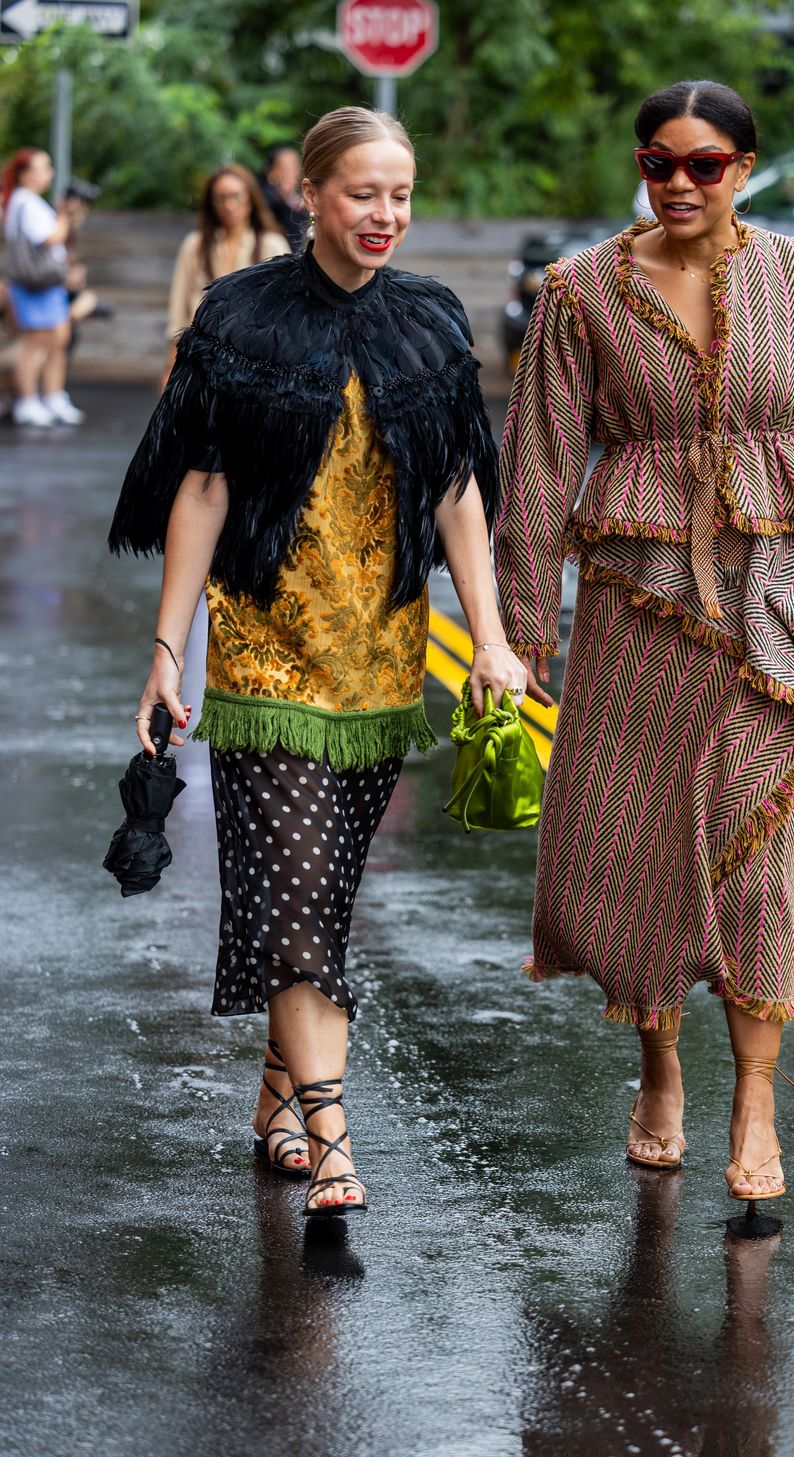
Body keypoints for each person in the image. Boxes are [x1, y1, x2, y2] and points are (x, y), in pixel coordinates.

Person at [109, 106, 524, 1218]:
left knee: (320, 899)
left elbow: (455, 492)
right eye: (361, 194)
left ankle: (276, 1092)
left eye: (400, 194)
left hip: (379, 665)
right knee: (294, 895)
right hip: (262, 654)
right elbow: (200, 487)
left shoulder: (431, 323)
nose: (383, 214)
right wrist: (167, 653)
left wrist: (487, 638)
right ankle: (335, 1134)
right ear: (311, 196)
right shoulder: (241, 315)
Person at [495, 80, 794, 1203]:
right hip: (635, 599)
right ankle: (657, 1064)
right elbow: (534, 469)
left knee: (755, 855)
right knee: (641, 840)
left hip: (773, 592)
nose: (675, 183)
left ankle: (753, 1102)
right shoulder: (579, 293)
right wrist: (520, 635)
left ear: (741, 170)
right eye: (657, 162)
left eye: (701, 165)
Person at [162, 163, 289, 388]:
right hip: (199, 362)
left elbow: (285, 313)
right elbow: (179, 306)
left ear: (250, 199)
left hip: (255, 365)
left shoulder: (272, 245)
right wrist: (170, 365)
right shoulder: (195, 245)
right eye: (220, 198)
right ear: (211, 203)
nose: (229, 205)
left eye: (235, 196)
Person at [2, 148, 87, 426]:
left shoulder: (29, 201)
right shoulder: (24, 201)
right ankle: (26, 401)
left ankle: (52, 396)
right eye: (42, 167)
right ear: (25, 173)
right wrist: (64, 214)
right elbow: (51, 238)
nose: (48, 173)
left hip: (47, 283)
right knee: (36, 340)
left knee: (58, 338)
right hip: (34, 283)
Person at [258, 143, 308, 251]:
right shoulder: (265, 196)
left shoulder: (298, 197)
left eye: (296, 166)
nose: (295, 172)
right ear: (272, 171)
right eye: (288, 168)